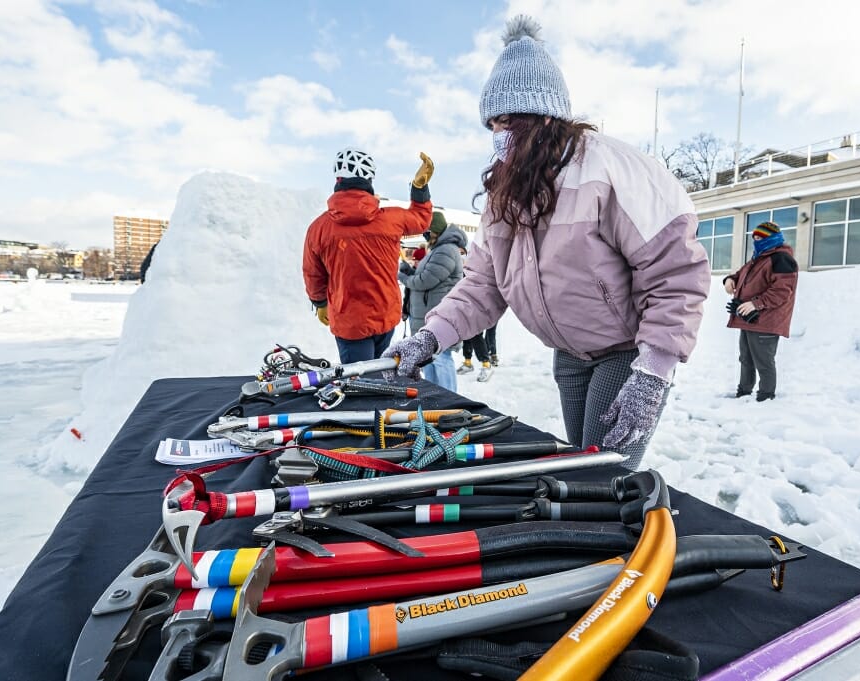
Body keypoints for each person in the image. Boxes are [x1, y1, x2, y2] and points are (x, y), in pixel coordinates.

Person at [384, 16, 710, 470]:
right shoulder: (506, 193)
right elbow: (484, 284)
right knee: (582, 464)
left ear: (542, 118)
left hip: (625, 351)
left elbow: (674, 271)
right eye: (492, 125)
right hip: (569, 355)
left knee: (603, 475)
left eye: (507, 122)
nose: (498, 136)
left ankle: (623, 539)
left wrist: (652, 372)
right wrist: (429, 337)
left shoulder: (609, 170)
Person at [303, 148, 434, 363]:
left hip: (349, 322)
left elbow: (313, 273)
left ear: (338, 180)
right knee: (380, 377)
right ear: (369, 180)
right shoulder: (391, 219)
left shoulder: (319, 228)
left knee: (358, 385)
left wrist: (319, 303)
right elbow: (421, 219)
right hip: (385, 316)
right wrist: (419, 188)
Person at [723, 220, 799, 402]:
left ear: (772, 238)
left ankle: (766, 397)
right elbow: (740, 274)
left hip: (766, 319)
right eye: (754, 237)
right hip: (749, 318)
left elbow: (782, 291)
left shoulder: (781, 259)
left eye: (761, 237)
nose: (756, 240)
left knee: (763, 362)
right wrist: (729, 280)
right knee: (746, 359)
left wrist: (756, 304)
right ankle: (743, 392)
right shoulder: (759, 257)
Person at [398, 212, 467, 391]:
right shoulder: (437, 249)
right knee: (429, 360)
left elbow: (424, 281)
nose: (425, 234)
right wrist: (409, 271)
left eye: (427, 231)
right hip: (428, 315)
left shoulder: (446, 250)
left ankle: (451, 400)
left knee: (441, 359)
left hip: (439, 317)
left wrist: (403, 277)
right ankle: (435, 397)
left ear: (435, 230)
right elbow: (422, 276)